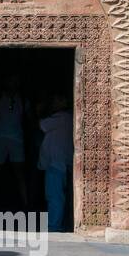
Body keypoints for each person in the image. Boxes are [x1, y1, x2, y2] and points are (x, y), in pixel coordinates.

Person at [0, 72, 29, 209]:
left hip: (17, 138)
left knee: (20, 173)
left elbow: (29, 119)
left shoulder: (22, 99)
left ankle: (26, 205)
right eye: (11, 80)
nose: (13, 84)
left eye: (16, 81)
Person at [38, 96, 74, 231]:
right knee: (57, 195)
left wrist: (40, 111)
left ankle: (54, 226)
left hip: (56, 163)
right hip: (61, 162)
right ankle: (57, 224)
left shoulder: (61, 117)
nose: (54, 103)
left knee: (55, 196)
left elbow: (41, 125)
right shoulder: (68, 117)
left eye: (57, 100)